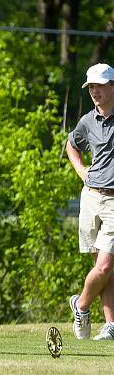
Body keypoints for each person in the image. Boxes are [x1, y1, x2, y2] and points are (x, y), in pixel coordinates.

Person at [65, 62, 114, 341]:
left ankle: (81, 305)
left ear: (112, 87)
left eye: (99, 86)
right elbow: (72, 145)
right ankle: (111, 325)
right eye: (91, 86)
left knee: (105, 266)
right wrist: (83, 172)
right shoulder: (87, 121)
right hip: (92, 197)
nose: (94, 91)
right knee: (104, 268)